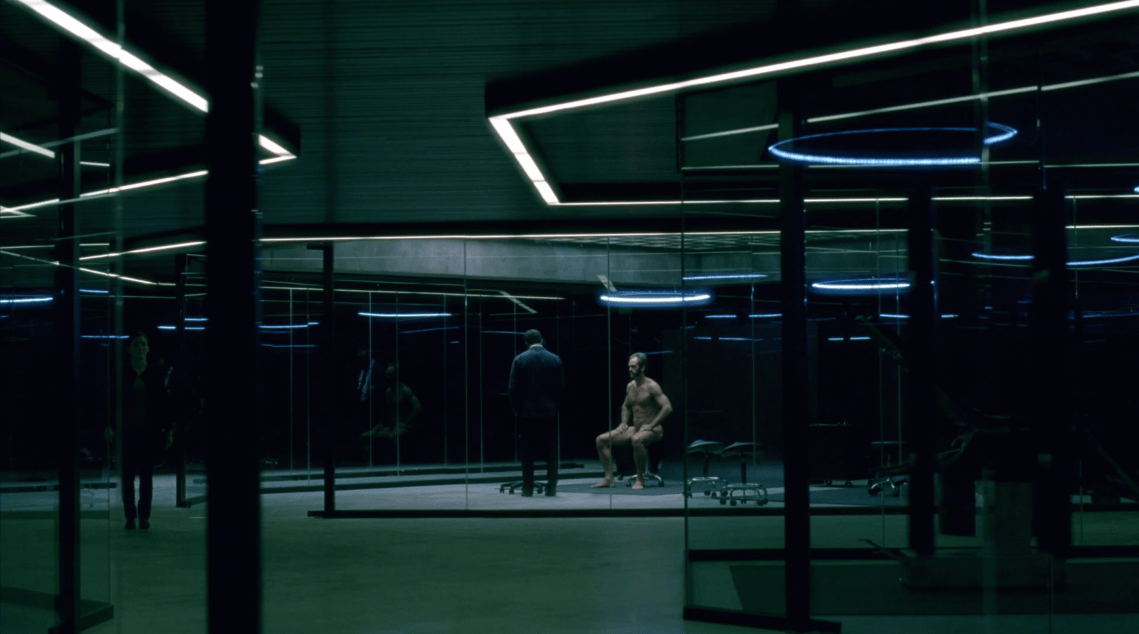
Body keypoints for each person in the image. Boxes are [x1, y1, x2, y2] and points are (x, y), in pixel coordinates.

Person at [104, 332, 173, 531]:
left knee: (146, 476)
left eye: (143, 344)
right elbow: (112, 401)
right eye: (136, 344)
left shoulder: (154, 374)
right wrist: (109, 425)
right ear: (129, 349)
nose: (141, 348)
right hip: (127, 432)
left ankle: (143, 515)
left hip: (147, 432)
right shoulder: (122, 374)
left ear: (148, 348)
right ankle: (130, 516)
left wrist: (168, 430)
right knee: (127, 477)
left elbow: (163, 405)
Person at [593, 352, 671, 490]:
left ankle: (640, 479)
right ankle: (609, 479)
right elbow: (626, 406)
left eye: (633, 366)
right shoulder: (630, 386)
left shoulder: (652, 386)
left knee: (636, 439)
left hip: (654, 430)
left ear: (642, 367)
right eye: (629, 366)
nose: (630, 369)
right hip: (636, 428)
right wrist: (624, 422)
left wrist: (651, 425)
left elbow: (667, 408)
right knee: (601, 440)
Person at [507, 329, 565, 497]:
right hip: (550, 413)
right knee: (551, 452)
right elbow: (561, 388)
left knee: (527, 451)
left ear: (526, 343)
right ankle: (551, 487)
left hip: (527, 413)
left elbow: (513, 389)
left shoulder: (520, 359)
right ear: (541, 340)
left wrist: (516, 409)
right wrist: (556, 408)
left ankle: (528, 488)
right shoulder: (555, 359)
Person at [360, 363, 422, 460]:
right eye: (386, 374)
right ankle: (370, 465)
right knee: (364, 436)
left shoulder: (405, 390)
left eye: (390, 375)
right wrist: (380, 423)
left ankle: (396, 465)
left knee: (393, 437)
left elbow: (418, 407)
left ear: (396, 376)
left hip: (403, 425)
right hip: (392, 426)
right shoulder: (388, 391)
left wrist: (407, 423)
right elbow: (385, 409)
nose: (387, 377)